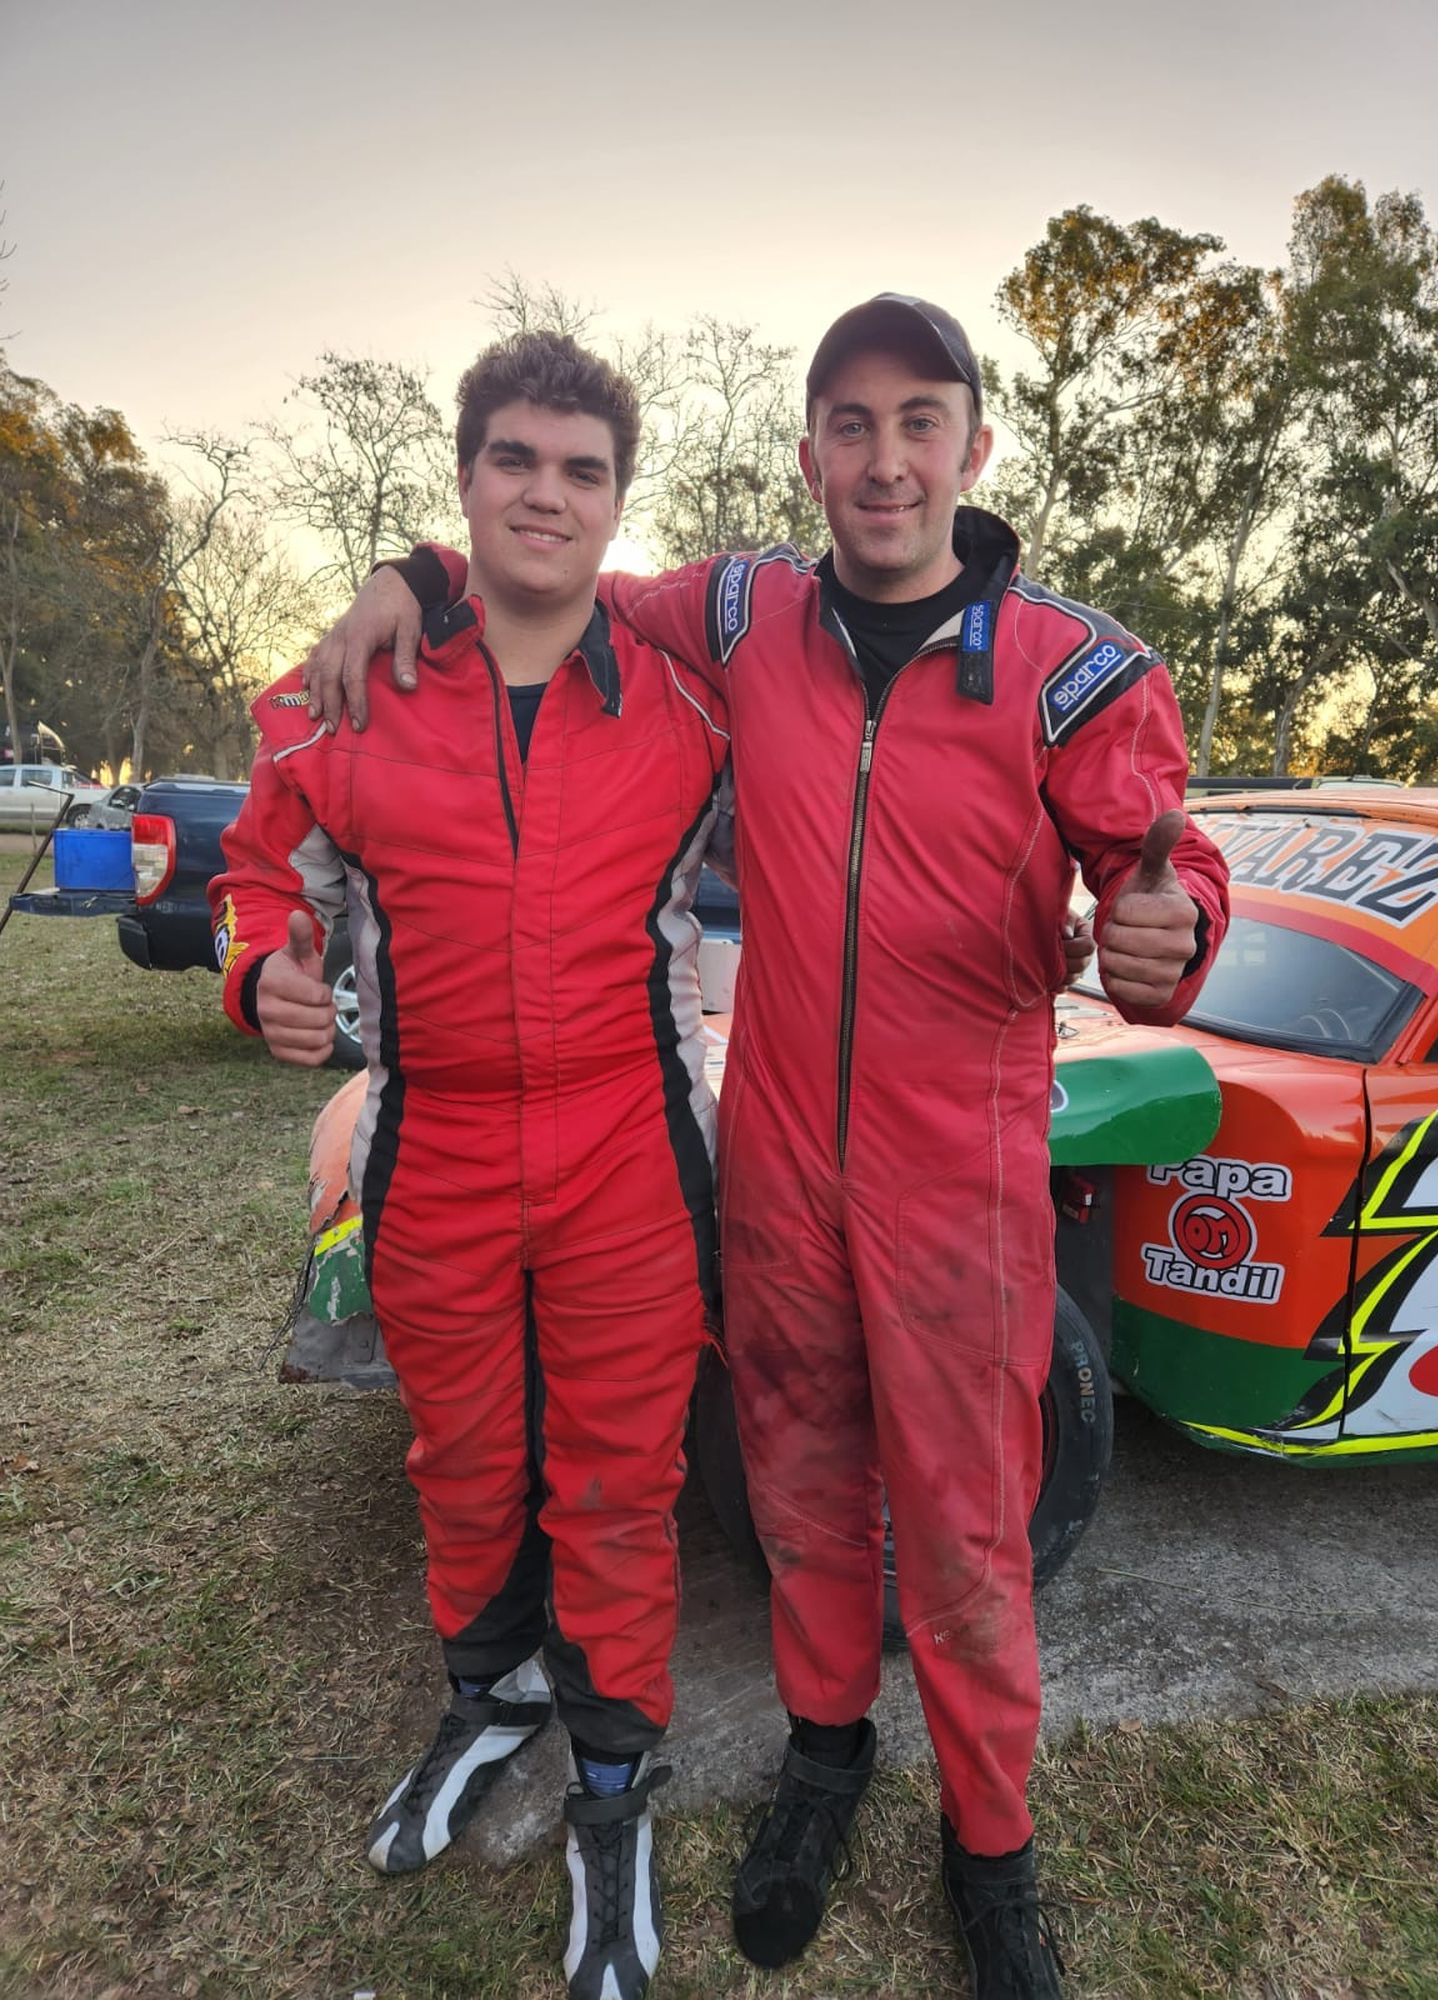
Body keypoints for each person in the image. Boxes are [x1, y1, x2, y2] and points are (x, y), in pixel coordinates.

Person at [306, 295, 1231, 2000]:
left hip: (962, 1172)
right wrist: (407, 572)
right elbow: (547, 568)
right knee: (802, 1491)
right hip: (785, 1154)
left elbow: (1156, 872)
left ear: (973, 443)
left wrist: (1176, 926)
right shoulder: (741, 610)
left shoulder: (1077, 668)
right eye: (852, 425)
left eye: (921, 420)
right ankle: (822, 1764)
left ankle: (993, 1853)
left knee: (963, 1528)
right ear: (809, 453)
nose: (886, 460)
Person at [210, 331, 734, 2000]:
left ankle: (609, 1788)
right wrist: (257, 969)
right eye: (516, 460)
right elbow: (255, 867)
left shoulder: (689, 704)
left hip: (626, 1153)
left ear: (616, 503)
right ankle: (489, 1695)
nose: (548, 495)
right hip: (430, 1141)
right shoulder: (345, 692)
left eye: (583, 471)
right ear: (465, 477)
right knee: (460, 1460)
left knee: (616, 1486)